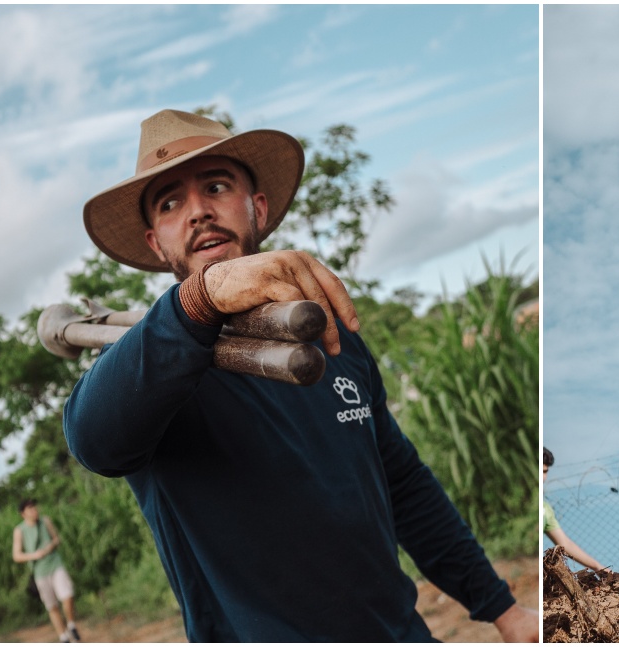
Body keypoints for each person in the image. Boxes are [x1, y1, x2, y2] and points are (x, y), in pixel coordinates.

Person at [63, 109, 538, 641]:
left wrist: (503, 609)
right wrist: (199, 300)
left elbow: (402, 483)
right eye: (171, 203)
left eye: (216, 186)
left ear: (257, 209)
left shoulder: (331, 335)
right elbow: (92, 439)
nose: (197, 211)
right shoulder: (151, 369)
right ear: (156, 242)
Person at [12, 499, 81, 642]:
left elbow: (57, 538)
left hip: (55, 564)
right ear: (23, 514)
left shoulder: (45, 521)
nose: (34, 510)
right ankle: (63, 636)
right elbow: (16, 555)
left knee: (67, 595)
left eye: (34, 507)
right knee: (52, 606)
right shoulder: (19, 531)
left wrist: (50, 546)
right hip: (40, 572)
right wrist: (34, 555)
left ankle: (71, 624)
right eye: (30, 509)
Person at [542, 448, 609, 572]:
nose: (542, 477)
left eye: (544, 471)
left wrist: (597, 567)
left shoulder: (545, 510)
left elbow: (564, 545)